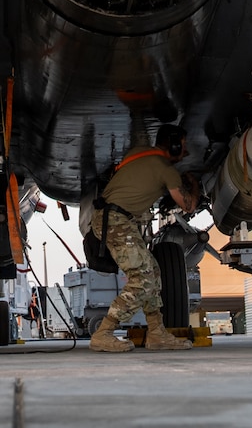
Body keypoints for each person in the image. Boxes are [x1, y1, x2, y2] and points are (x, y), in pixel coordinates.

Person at [86, 124, 200, 353]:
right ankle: (103, 332)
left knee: (153, 272)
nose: (185, 151)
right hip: (116, 221)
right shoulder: (166, 170)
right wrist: (194, 185)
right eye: (183, 146)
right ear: (175, 144)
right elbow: (188, 205)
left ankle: (157, 333)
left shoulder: (137, 153)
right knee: (143, 277)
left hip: (113, 218)